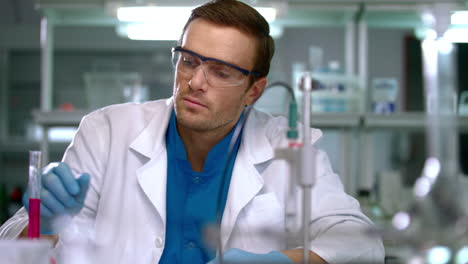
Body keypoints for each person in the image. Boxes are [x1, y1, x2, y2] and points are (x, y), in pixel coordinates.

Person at [0, 0, 385, 263]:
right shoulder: (107, 133)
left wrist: (286, 260)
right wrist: (41, 223)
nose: (196, 81)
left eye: (222, 71)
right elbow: (11, 250)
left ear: (254, 89)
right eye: (189, 61)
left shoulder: (287, 148)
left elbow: (360, 243)